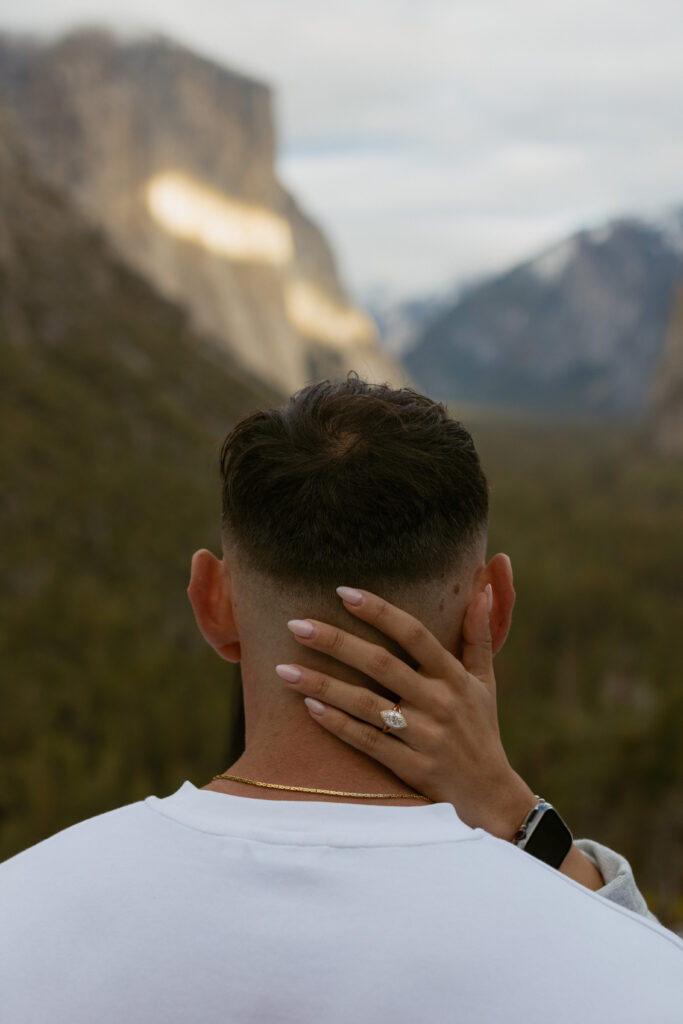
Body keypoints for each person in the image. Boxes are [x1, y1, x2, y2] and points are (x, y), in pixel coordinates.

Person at [0, 377, 681, 1023]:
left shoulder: (20, 910)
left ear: (213, 601)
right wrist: (518, 815)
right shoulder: (636, 976)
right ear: (493, 609)